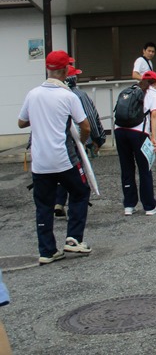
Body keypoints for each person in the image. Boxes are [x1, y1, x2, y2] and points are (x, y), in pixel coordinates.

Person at [18, 50, 92, 265]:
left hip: (40, 161)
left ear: (48, 69)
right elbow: (85, 126)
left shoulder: (33, 94)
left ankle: (47, 250)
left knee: (43, 204)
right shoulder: (68, 96)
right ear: (66, 70)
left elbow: (21, 122)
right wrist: (81, 143)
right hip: (63, 157)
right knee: (80, 191)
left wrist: (39, 116)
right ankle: (73, 238)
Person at [54, 64, 106, 217]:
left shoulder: (53, 95)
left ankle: (59, 201)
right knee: (76, 175)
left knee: (61, 172)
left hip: (57, 141)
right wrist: (98, 139)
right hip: (75, 140)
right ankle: (75, 209)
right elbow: (91, 118)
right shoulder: (79, 95)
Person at [114, 70, 156, 215]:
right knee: (144, 168)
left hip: (119, 131)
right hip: (138, 132)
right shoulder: (154, 93)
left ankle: (129, 205)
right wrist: (153, 137)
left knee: (126, 168)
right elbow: (154, 115)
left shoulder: (128, 90)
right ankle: (149, 206)